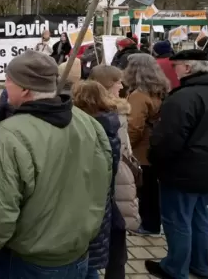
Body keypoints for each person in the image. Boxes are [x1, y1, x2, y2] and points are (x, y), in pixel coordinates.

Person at [0, 51, 112, 278]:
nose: (5, 85)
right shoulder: (87, 122)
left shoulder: (8, 137)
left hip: (27, 261)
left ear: (24, 88)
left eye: (8, 80)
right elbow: (103, 184)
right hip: (77, 253)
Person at [145, 49, 208, 279]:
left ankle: (175, 268)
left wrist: (155, 161)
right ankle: (200, 266)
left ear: (187, 68)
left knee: (178, 221)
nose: (173, 71)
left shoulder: (181, 98)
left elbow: (167, 140)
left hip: (184, 173)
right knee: (200, 216)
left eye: (176, 66)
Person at [88, 65, 141, 279]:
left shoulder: (118, 110)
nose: (121, 84)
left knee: (116, 235)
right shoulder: (111, 113)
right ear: (106, 84)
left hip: (119, 178)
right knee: (115, 233)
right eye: (117, 81)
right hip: (115, 180)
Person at [72, 81, 122, 279]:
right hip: (103, 203)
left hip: (86, 203)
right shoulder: (111, 123)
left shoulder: (87, 130)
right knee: (92, 262)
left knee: (85, 260)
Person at [123, 53, 169, 236]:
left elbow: (134, 126)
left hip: (141, 150)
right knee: (152, 190)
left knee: (145, 190)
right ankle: (153, 223)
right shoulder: (159, 90)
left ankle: (148, 225)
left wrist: (126, 147)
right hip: (154, 147)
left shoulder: (138, 96)